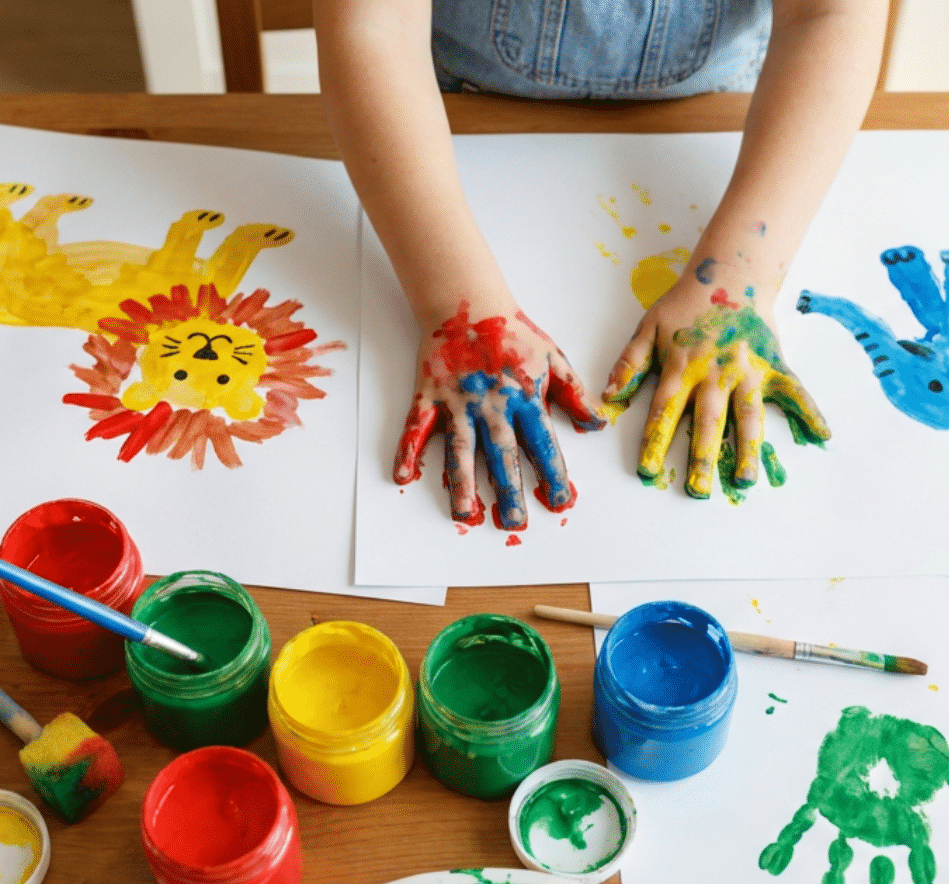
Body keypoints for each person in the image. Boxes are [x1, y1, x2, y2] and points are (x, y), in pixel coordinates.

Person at [318, 1, 891, 530]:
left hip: (727, 111)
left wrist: (738, 279)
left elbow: (829, 15)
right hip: (450, 111)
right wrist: (458, 306)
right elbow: (377, 27)